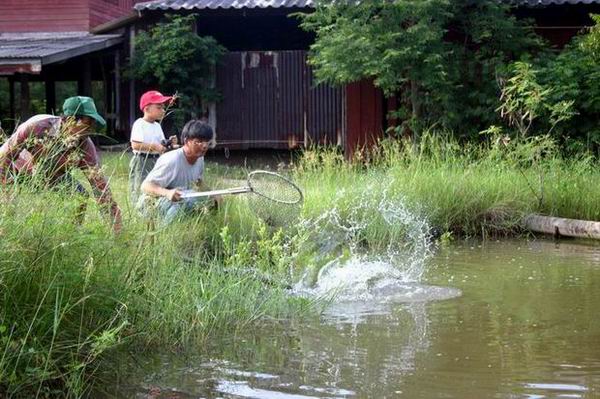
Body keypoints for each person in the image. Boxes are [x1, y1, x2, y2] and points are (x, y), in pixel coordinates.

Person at [0, 96, 122, 233]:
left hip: (51, 173)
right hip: (17, 168)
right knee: (8, 209)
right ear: (70, 120)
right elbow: (5, 158)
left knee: (80, 196)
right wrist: (6, 194)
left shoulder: (85, 145)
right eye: (89, 123)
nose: (91, 128)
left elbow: (99, 184)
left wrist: (114, 222)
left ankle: (71, 233)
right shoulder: (37, 127)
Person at [138, 119, 219, 225]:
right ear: (186, 141)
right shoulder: (172, 160)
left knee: (208, 200)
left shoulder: (199, 158)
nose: (204, 146)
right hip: (153, 205)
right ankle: (163, 234)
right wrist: (167, 193)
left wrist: (213, 195)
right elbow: (145, 186)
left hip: (179, 201)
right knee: (187, 200)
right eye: (198, 142)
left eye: (207, 142)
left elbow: (199, 182)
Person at [129, 90, 179, 203]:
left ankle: (152, 206)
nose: (163, 110)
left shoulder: (157, 126)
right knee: (139, 185)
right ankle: (137, 208)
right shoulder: (139, 123)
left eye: (163, 107)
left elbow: (161, 144)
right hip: (142, 160)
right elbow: (135, 144)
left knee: (154, 183)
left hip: (156, 160)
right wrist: (154, 147)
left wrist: (169, 142)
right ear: (147, 109)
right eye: (159, 107)